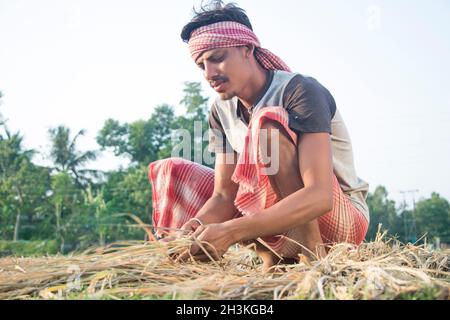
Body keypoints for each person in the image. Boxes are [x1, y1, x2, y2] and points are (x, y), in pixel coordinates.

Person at [148, 1, 370, 269]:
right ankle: (273, 261)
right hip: (277, 222)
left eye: (217, 58)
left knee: (266, 128)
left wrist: (232, 231)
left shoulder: (298, 90)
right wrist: (194, 229)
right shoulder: (220, 110)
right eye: (201, 65)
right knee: (172, 169)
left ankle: (312, 261)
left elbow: (319, 196)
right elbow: (223, 196)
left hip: (338, 221)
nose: (209, 74)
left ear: (247, 49)